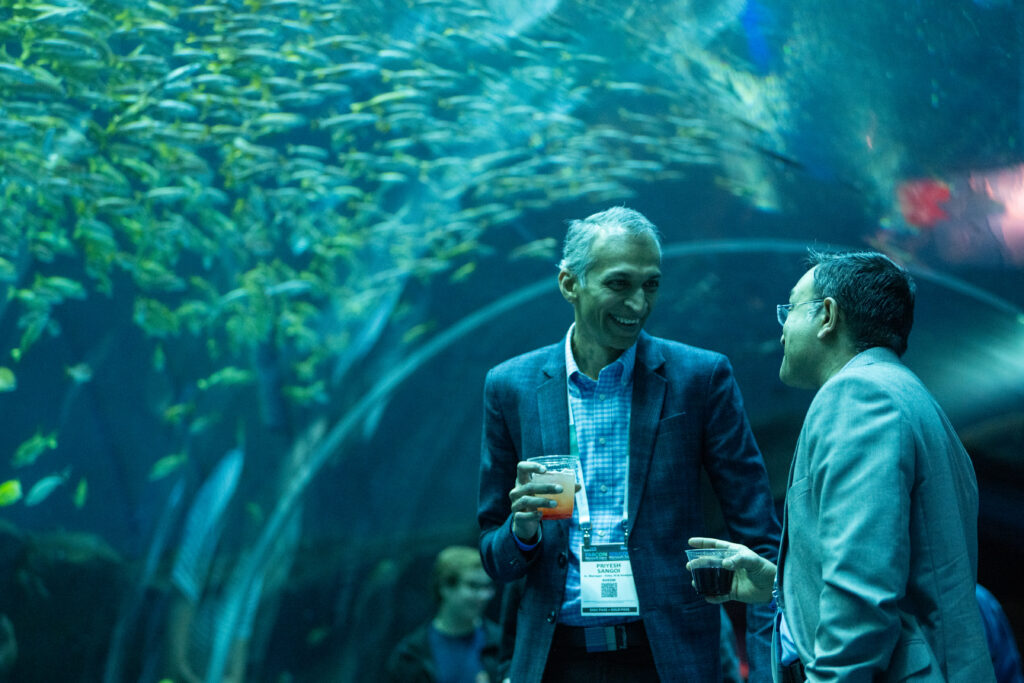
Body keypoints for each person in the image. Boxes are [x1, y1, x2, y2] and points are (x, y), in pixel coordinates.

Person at [478, 206, 781, 682]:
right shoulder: (511, 387)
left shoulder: (699, 378)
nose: (639, 304)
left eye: (651, 284)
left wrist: (768, 672)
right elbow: (494, 553)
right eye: (620, 284)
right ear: (569, 284)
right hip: (555, 659)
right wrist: (523, 531)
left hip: (668, 659)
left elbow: (761, 538)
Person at [689, 249, 997, 681]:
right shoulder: (910, 398)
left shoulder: (856, 397)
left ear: (827, 316)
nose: (780, 332)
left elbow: (862, 594)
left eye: (790, 310)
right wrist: (779, 583)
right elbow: (889, 565)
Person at [386, 545, 503, 683]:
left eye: (487, 587)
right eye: (473, 586)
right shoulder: (411, 655)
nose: (484, 596)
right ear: (445, 587)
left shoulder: (502, 644)